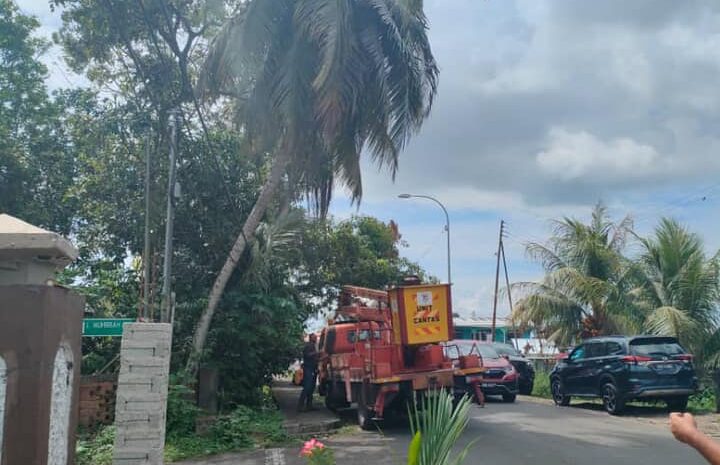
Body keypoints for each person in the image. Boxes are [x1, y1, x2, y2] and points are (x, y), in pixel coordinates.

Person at [297, 333, 319, 412]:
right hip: (308, 368)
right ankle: (300, 406)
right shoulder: (308, 345)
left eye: (316, 337)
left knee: (312, 387)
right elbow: (306, 355)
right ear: (311, 338)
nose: (316, 338)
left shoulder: (314, 345)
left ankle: (309, 405)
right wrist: (316, 353)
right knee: (307, 387)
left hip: (313, 368)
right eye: (315, 337)